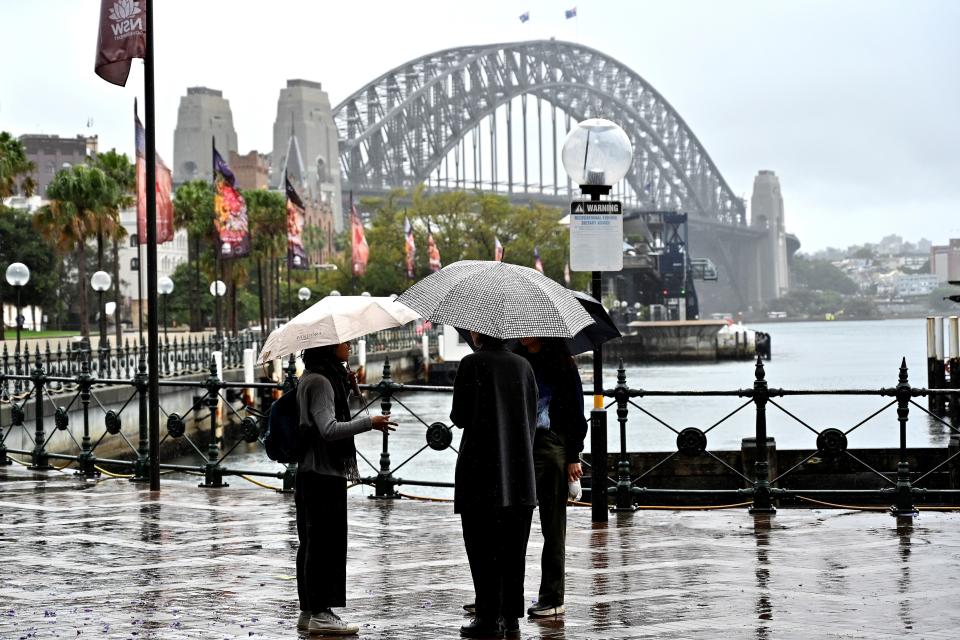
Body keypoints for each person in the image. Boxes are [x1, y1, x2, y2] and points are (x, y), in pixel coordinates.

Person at [295, 343, 396, 636]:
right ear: (328, 347)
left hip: (310, 472)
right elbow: (328, 429)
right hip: (324, 473)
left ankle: (309, 610)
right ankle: (322, 613)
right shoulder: (321, 382)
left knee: (312, 542)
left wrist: (350, 385)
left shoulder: (314, 376)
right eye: (343, 342)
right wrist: (370, 423)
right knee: (326, 544)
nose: (349, 345)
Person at [451, 331, 538, 639]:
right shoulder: (523, 366)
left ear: (478, 332)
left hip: (481, 471)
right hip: (519, 473)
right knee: (514, 548)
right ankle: (511, 616)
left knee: (482, 546)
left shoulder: (471, 364)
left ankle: (488, 618)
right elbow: (532, 414)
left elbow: (459, 416)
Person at [514, 337, 588, 618]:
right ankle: (507, 594)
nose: (524, 332)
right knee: (513, 520)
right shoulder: (518, 359)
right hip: (522, 444)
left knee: (553, 525)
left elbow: (575, 411)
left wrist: (573, 455)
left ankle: (553, 596)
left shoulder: (561, 363)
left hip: (551, 443)